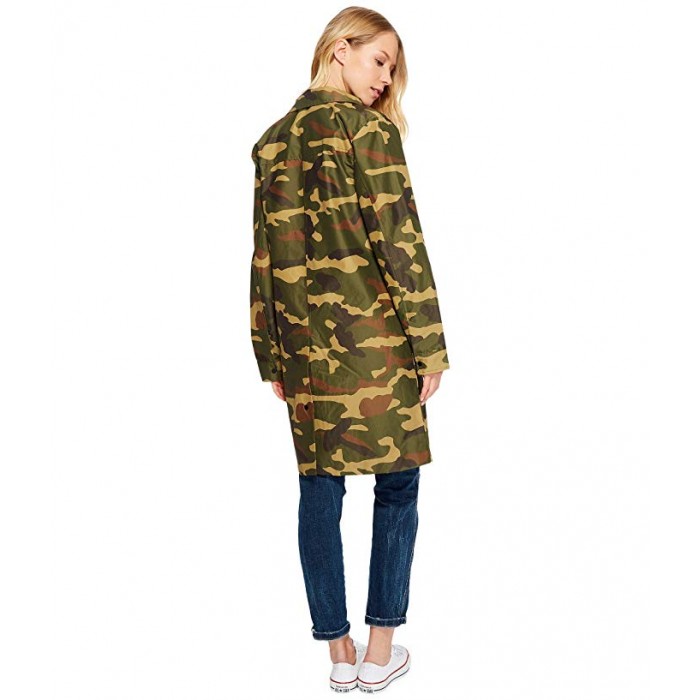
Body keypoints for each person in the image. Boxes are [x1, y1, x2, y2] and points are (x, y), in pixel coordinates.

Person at [249, 6, 450, 693]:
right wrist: (430, 344)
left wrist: (270, 353)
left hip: (304, 347)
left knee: (319, 487)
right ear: (340, 49)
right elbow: (400, 240)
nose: (385, 79)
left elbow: (264, 255)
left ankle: (339, 654)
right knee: (398, 484)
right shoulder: (369, 132)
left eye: (391, 69)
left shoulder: (274, 141)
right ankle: (379, 649)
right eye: (379, 60)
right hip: (378, 343)